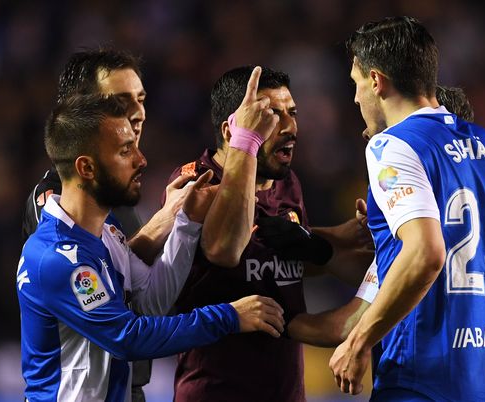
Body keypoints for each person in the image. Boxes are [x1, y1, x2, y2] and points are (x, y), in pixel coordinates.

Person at [329, 17, 485, 401]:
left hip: (423, 383)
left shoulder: (391, 146)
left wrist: (359, 340)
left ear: (376, 81)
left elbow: (426, 253)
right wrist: (480, 309)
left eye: (356, 85)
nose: (357, 98)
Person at [16, 93, 285, 401]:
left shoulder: (106, 232)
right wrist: (228, 317)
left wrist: (188, 223)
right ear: (87, 168)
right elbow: (127, 338)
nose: (141, 160)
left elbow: (150, 302)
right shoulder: (57, 257)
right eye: (125, 150)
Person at [165, 66, 372, 402]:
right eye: (270, 116)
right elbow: (225, 249)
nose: (289, 127)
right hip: (217, 392)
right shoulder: (196, 182)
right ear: (232, 130)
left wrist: (332, 241)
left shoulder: (286, 184)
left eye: (291, 113)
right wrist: (245, 149)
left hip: (285, 390)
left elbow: (280, 263)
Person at [21, 49, 197, 400]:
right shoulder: (57, 196)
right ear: (83, 107)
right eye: (119, 100)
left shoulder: (122, 193)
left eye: (140, 98)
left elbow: (136, 285)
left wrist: (186, 219)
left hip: (129, 387)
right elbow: (89, 270)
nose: (136, 111)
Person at [287, 85, 476, 347]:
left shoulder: (412, 238)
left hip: (417, 375)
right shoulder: (482, 205)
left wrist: (270, 319)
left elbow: (343, 326)